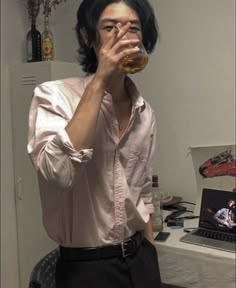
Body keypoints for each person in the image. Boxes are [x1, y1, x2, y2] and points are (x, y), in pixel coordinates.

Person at [27, 0, 161, 287]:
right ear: (88, 37)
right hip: (85, 269)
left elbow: (143, 194)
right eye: (110, 27)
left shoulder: (144, 111)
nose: (123, 36)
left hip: (141, 260)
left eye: (133, 28)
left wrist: (151, 258)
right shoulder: (53, 96)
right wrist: (101, 80)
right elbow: (59, 173)